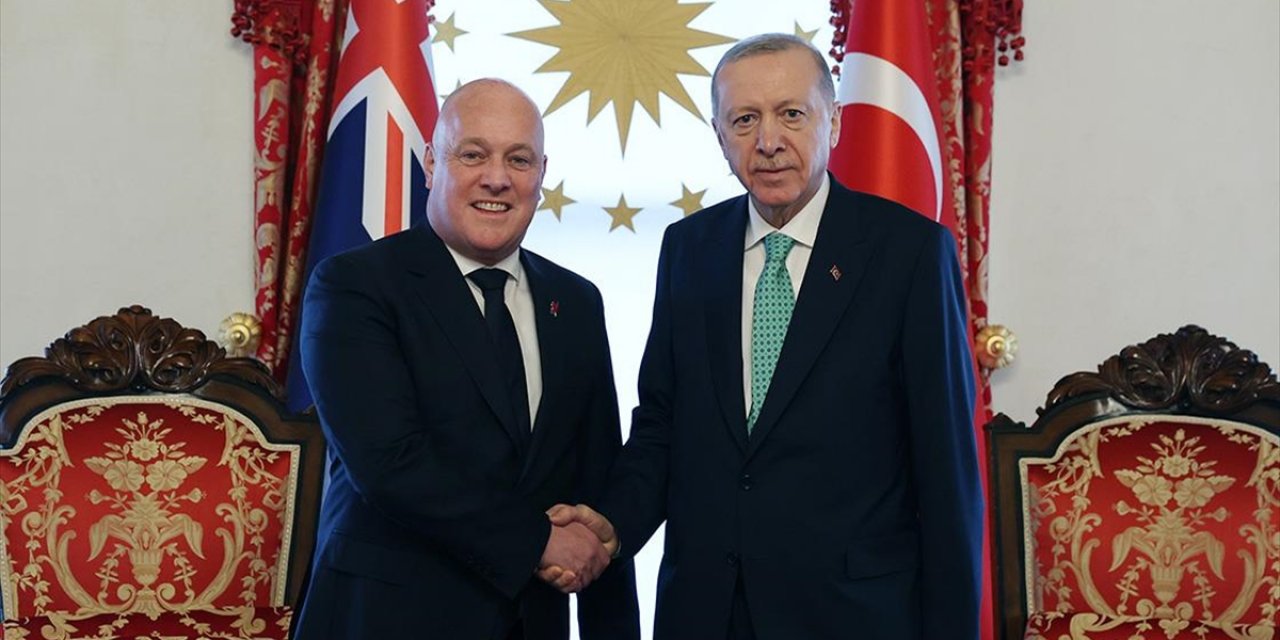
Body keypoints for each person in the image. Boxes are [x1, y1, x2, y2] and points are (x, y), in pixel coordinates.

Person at [548, 34, 984, 639]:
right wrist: (611, 526)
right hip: (705, 612)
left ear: (833, 122)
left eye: (792, 114)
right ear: (719, 135)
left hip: (852, 616)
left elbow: (945, 471)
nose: (769, 141)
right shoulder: (689, 248)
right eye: (745, 119)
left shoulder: (908, 253)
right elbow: (662, 426)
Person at [292, 78, 639, 640]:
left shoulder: (575, 302)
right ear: (432, 163)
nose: (497, 178)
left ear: (542, 174)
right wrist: (538, 542)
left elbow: (595, 479)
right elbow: (388, 462)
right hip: (387, 620)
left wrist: (612, 627)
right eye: (473, 154)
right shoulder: (355, 286)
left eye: (519, 159)